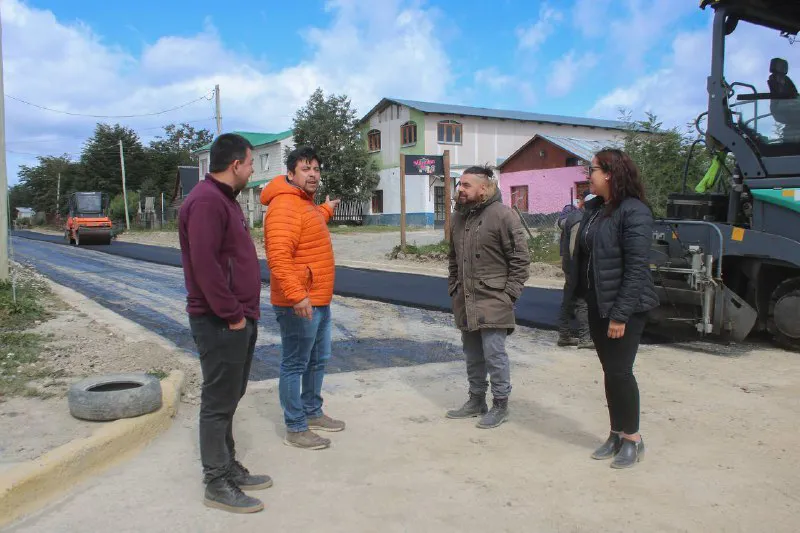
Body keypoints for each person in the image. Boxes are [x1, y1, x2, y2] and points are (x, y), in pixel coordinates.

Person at [178, 133, 271, 514]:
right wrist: (231, 314)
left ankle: (228, 465)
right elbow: (206, 267)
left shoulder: (225, 200)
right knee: (218, 402)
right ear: (235, 165)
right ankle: (216, 481)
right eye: (251, 163)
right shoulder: (205, 202)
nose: (252, 169)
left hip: (238, 316)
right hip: (220, 321)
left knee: (231, 396)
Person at [565, 148, 659, 469]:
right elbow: (584, 257)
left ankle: (633, 438)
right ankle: (616, 433)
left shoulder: (635, 212)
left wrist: (620, 314)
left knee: (621, 372)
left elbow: (636, 268)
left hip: (625, 308)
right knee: (610, 373)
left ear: (609, 173)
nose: (586, 175)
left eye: (591, 169)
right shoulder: (597, 210)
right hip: (597, 303)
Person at [261, 145, 343, 450]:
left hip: (318, 298)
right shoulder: (284, 205)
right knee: (295, 363)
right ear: (291, 173)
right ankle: (295, 427)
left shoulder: (304, 203)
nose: (312, 174)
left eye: (316, 169)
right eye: (306, 169)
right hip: (299, 302)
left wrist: (327, 208)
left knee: (318, 360)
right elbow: (278, 257)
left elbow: (309, 222)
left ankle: (312, 411)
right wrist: (297, 296)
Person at [445, 165, 531, 429]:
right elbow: (453, 259)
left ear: (484, 188)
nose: (460, 189)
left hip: (495, 300)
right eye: (459, 185)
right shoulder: (458, 218)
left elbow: (520, 259)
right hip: (466, 299)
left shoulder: (504, 216)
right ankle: (476, 400)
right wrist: (454, 288)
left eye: (466, 185)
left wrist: (509, 295)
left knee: (494, 355)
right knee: (472, 354)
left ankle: (500, 404)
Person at [557, 190, 593, 349]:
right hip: (575, 266)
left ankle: (564, 336)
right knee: (581, 301)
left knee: (569, 299)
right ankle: (585, 338)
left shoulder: (574, 216)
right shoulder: (580, 219)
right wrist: (577, 269)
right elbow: (574, 248)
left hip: (570, 265)